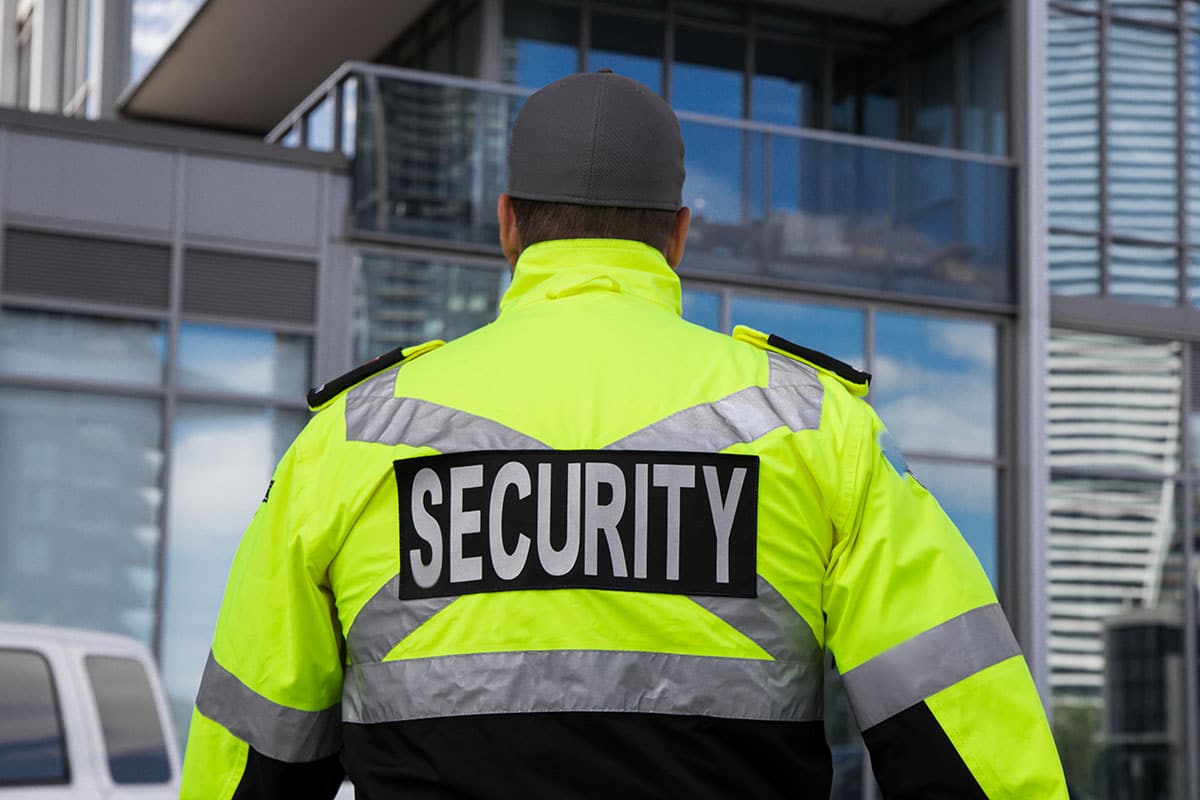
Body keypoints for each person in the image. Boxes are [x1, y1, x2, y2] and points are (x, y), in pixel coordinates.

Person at [180, 71, 1068, 799]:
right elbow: (970, 742)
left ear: (507, 226)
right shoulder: (815, 427)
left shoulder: (351, 440)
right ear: (678, 235)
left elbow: (251, 759)